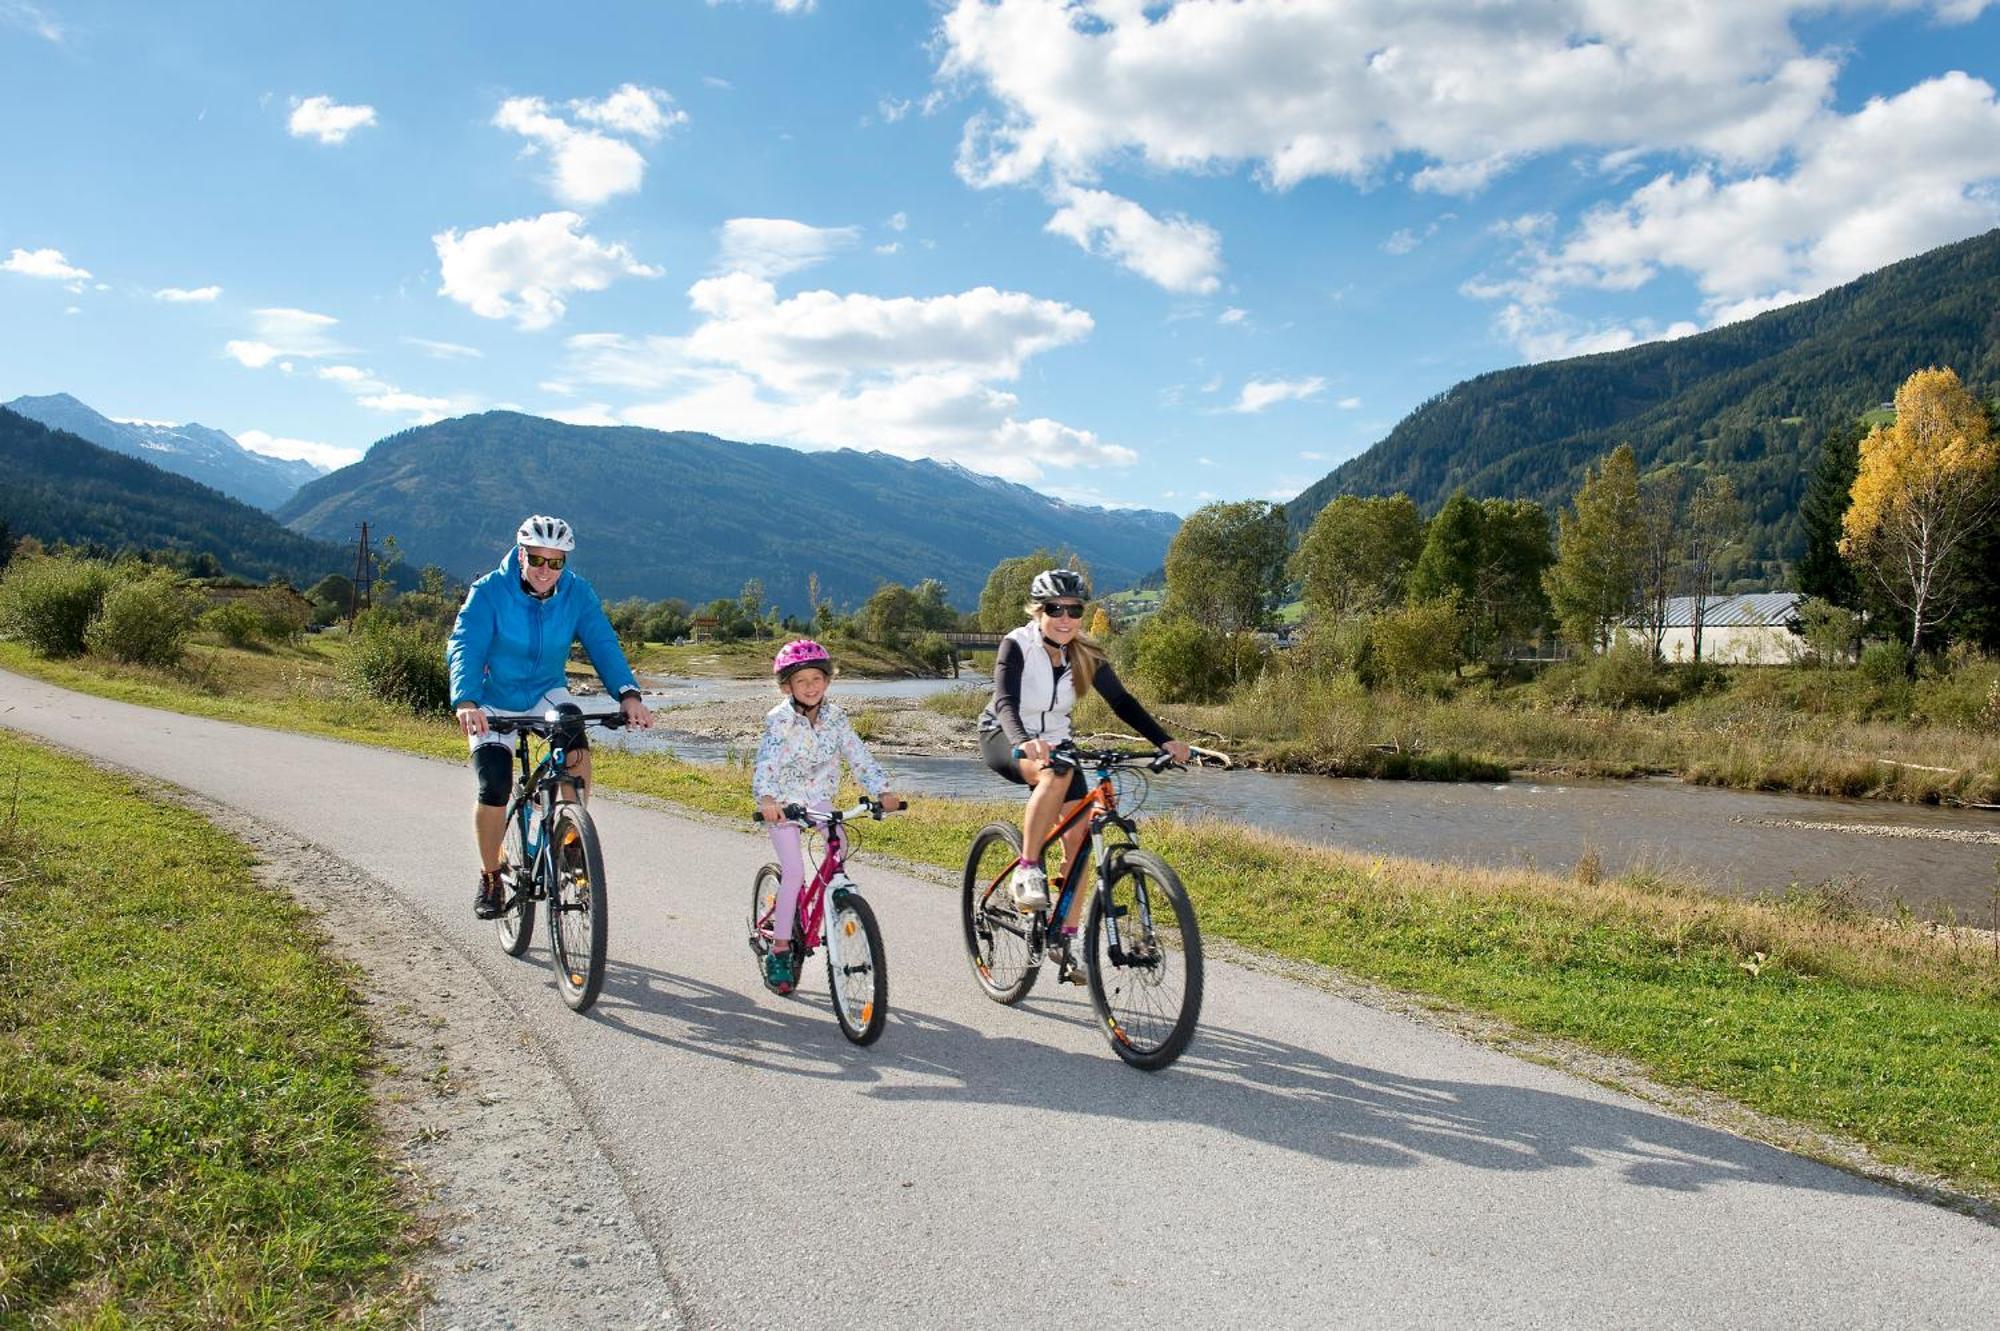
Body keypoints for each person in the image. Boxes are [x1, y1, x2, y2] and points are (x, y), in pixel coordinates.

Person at [977, 568, 1189, 981]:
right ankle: (1027, 868)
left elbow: (1123, 703)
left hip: (1058, 743)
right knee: (1053, 776)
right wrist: (1024, 740)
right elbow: (1005, 701)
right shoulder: (1017, 645)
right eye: (1055, 609)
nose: (1065, 618)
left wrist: (1164, 741)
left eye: (1074, 610)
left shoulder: (1086, 652)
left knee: (1080, 839)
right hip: (1005, 736)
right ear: (1038, 611)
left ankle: (1062, 937)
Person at [447, 514, 653, 919]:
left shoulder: (577, 593)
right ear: (521, 555)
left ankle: (571, 837)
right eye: (537, 560)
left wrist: (628, 694)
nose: (545, 571)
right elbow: (465, 644)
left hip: (545, 690)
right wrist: (466, 700)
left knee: (574, 738)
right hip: (491, 696)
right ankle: (490, 876)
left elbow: (602, 641)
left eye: (556, 562)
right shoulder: (489, 591)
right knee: (495, 784)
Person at [753, 638, 902, 995]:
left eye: (817, 679)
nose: (810, 687)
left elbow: (858, 755)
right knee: (792, 873)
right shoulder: (780, 721)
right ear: (787, 686)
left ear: (828, 680)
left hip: (819, 799)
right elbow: (767, 761)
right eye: (801, 681)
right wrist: (768, 799)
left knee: (839, 849)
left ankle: (830, 901)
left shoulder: (836, 718)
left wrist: (882, 790)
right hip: (785, 804)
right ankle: (780, 949)